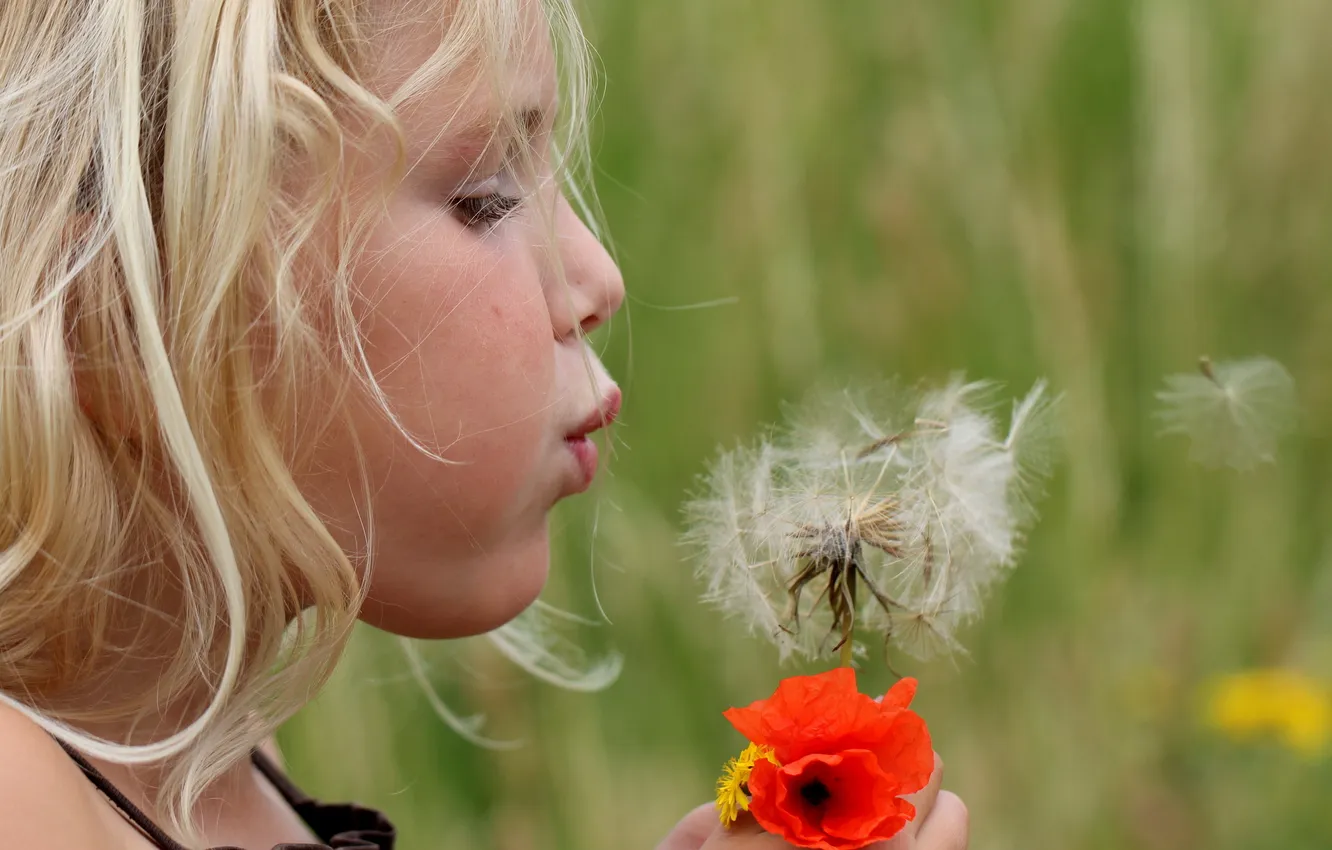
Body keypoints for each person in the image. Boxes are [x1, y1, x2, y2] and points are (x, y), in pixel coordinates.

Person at [0, 1, 969, 848]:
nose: (597, 277)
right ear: (121, 324)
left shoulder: (204, 750)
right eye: (487, 199)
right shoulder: (21, 789)